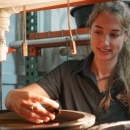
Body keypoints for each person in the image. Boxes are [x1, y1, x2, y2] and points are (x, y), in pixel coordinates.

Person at [5, 1, 130, 125]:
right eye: (98, 32)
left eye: (114, 34)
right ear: (90, 30)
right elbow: (14, 99)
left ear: (125, 35)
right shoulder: (66, 72)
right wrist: (12, 96)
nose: (104, 42)